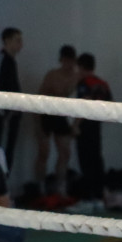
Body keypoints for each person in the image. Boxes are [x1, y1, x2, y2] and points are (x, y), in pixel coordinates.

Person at [34, 45, 79, 203]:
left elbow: (81, 102)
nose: (68, 64)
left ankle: (61, 188)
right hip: (46, 114)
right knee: (44, 152)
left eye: (71, 61)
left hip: (61, 115)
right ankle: (40, 188)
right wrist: (38, 124)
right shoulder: (52, 75)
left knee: (65, 153)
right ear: (62, 60)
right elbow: (39, 98)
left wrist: (75, 124)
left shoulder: (76, 77)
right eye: (66, 61)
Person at [72, 53, 113, 211]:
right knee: (96, 160)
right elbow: (111, 105)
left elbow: (85, 103)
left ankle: (88, 198)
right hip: (97, 125)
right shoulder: (103, 84)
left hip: (86, 126)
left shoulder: (84, 83)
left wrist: (76, 124)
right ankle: (98, 197)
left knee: (86, 161)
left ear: (81, 67)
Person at [0, 28, 23, 171]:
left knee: (7, 153)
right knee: (0, 153)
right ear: (7, 41)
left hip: (11, 116)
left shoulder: (11, 62)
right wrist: (3, 115)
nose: (21, 44)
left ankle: (4, 190)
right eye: (17, 40)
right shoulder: (2, 60)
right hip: (2, 118)